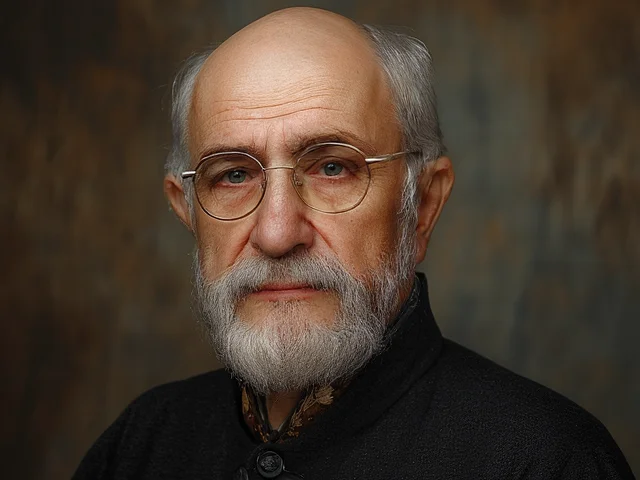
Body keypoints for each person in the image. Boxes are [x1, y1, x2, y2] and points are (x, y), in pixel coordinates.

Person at [73, 7, 634, 480]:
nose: (276, 233)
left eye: (333, 167)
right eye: (233, 175)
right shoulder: (140, 447)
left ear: (422, 206)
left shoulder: (548, 461)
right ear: (188, 211)